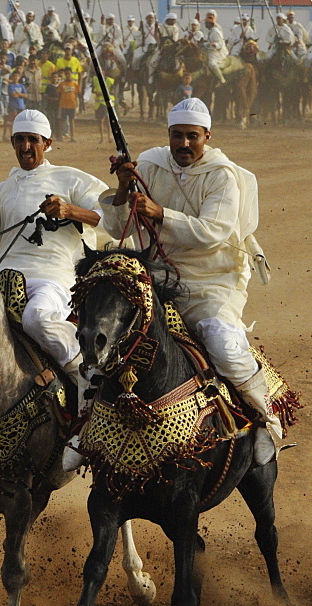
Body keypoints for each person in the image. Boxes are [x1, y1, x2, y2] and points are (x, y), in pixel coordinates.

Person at [95, 98, 283, 468]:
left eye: (192, 137)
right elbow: (118, 228)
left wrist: (161, 213)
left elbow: (214, 232)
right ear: (168, 135)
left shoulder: (221, 175)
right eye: (177, 136)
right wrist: (122, 190)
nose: (184, 144)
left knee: (224, 345)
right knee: (104, 333)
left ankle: (266, 421)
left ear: (206, 136)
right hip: (155, 277)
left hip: (212, 280)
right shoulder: (149, 165)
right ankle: (85, 427)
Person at [0, 109, 107, 466]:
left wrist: (70, 210)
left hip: (52, 278)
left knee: (37, 320)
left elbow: (111, 217)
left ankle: (89, 385)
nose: (26, 146)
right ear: (12, 143)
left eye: (33, 140)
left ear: (48, 144)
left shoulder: (70, 178)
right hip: (0, 281)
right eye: (20, 140)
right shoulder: (2, 191)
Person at [56, 67, 79, 141]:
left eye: (69, 73)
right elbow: (59, 94)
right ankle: (60, 136)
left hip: (72, 105)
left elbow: (77, 95)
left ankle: (72, 137)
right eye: (66, 74)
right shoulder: (61, 84)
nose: (67, 75)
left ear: (71, 73)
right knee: (62, 121)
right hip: (63, 105)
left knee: (72, 121)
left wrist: (77, 106)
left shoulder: (75, 84)